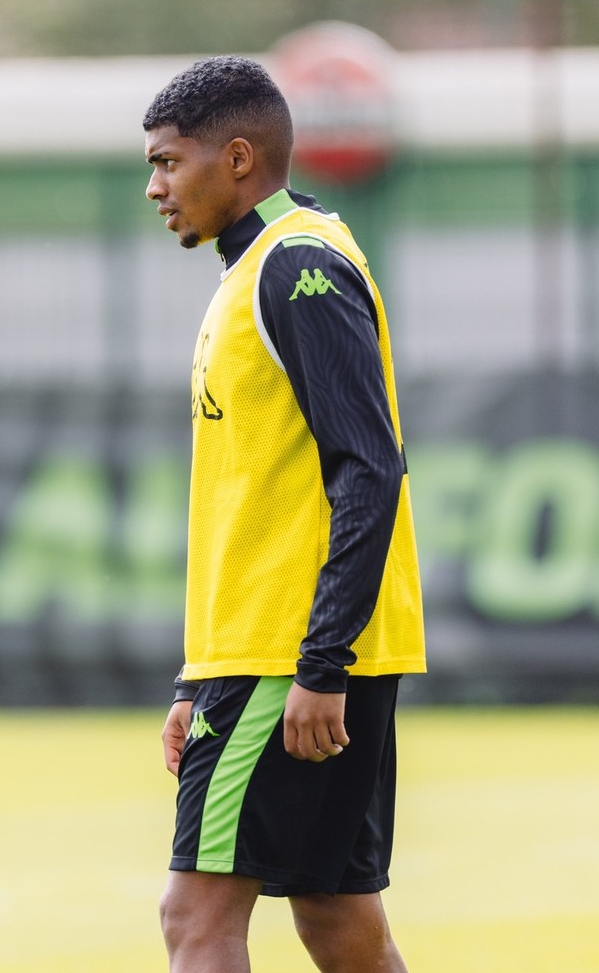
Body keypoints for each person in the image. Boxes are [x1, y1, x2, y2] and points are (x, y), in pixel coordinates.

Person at [142, 56, 426, 973]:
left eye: (168, 162)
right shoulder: (258, 270)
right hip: (266, 657)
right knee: (339, 920)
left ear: (235, 158)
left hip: (286, 657)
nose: (155, 187)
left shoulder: (296, 265)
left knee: (197, 913)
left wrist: (320, 662)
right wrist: (196, 679)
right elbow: (258, 496)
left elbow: (369, 469)